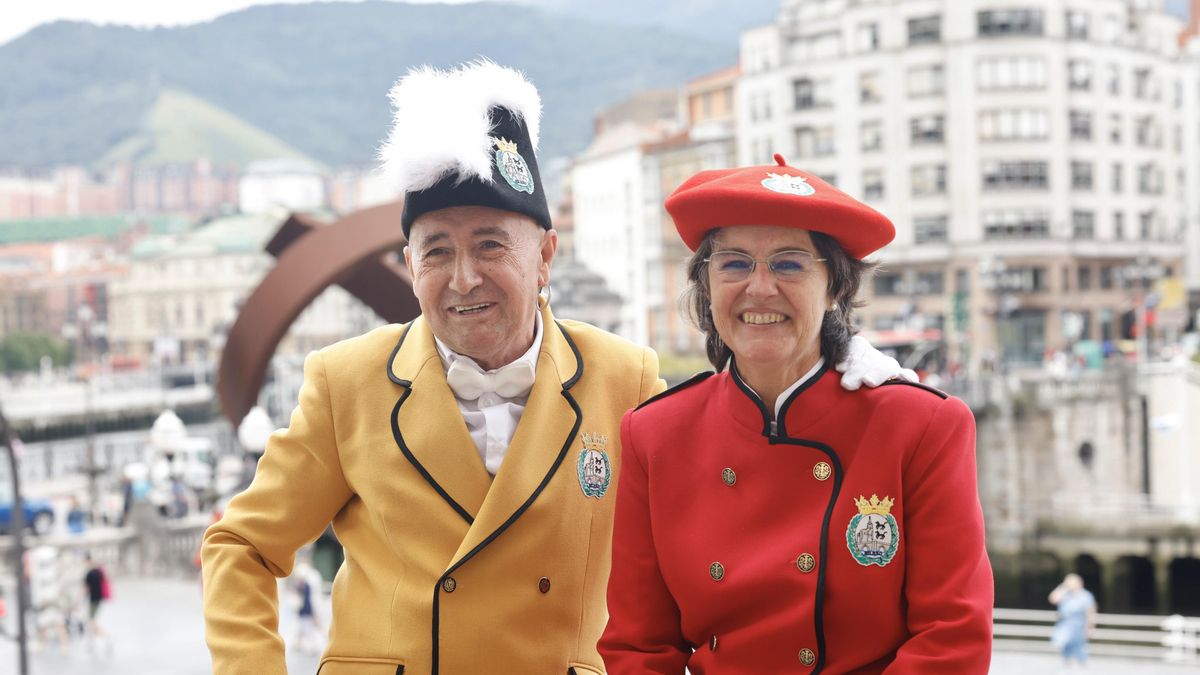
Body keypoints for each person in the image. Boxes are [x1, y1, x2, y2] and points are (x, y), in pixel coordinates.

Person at [201, 63, 908, 674]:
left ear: (544, 255)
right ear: (409, 263)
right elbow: (240, 544)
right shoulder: (344, 381)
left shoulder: (623, 377)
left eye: (490, 245)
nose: (463, 277)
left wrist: (835, 371)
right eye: (436, 251)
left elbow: (742, 495)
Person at [600, 155, 994, 673]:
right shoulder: (654, 434)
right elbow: (638, 648)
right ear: (707, 285)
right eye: (734, 263)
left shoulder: (918, 426)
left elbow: (952, 637)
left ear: (836, 288)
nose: (759, 289)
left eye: (789, 263)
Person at [1049, 573, 1096, 668]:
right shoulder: (1065, 593)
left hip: (1079, 624)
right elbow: (1053, 599)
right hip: (1065, 623)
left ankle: (1082, 664)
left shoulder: (1085, 595)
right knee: (1064, 644)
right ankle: (1067, 663)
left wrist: (1090, 627)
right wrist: (1062, 587)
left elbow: (1090, 612)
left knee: (1080, 646)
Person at [82, 553, 111, 650]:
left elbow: (86, 589)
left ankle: (107, 636)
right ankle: (91, 642)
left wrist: (80, 600)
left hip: (93, 600)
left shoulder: (89, 574)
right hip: (99, 598)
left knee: (91, 621)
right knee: (91, 621)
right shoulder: (99, 571)